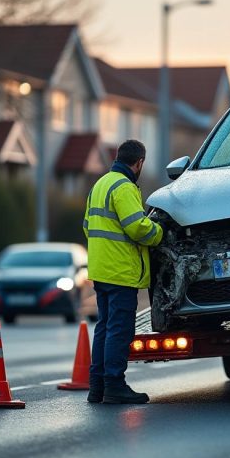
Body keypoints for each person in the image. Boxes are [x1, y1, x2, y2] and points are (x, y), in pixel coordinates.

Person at [83, 139, 163, 404]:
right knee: (119, 329)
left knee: (104, 328)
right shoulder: (124, 187)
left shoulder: (101, 184)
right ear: (139, 163)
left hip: (101, 270)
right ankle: (115, 384)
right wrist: (159, 232)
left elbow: (87, 225)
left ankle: (97, 387)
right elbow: (137, 228)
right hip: (120, 272)